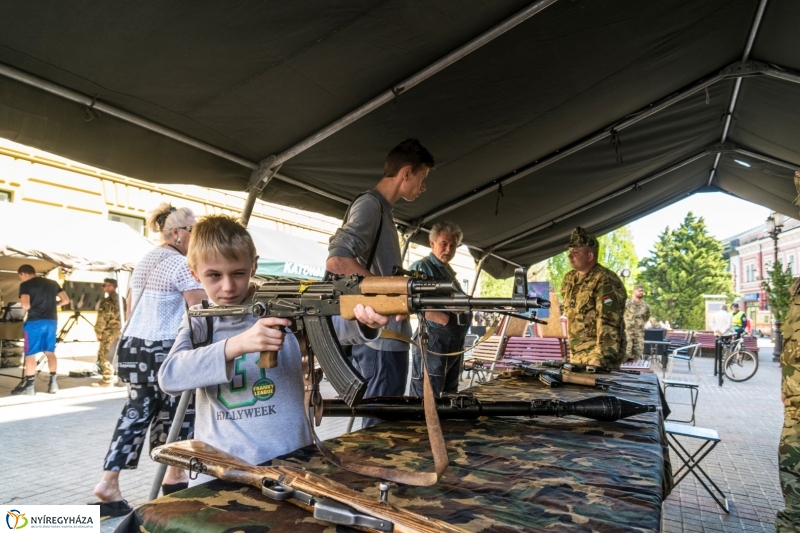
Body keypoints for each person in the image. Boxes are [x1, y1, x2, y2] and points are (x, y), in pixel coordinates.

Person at [158, 215, 389, 474]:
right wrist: (237, 345)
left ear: (253, 267)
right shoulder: (199, 320)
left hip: (292, 461)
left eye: (238, 273)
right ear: (194, 274)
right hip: (222, 468)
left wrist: (368, 320)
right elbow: (170, 377)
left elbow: (339, 326)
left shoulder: (285, 302)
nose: (228, 286)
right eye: (214, 275)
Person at [92, 203, 207, 515]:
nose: (196, 235)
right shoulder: (181, 264)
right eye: (193, 230)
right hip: (165, 347)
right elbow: (200, 311)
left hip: (133, 346)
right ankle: (174, 478)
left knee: (136, 413)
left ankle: (109, 482)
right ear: (176, 233)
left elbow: (131, 307)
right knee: (179, 414)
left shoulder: (144, 261)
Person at [326, 138, 435, 427]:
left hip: (387, 338)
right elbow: (337, 261)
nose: (423, 187)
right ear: (406, 173)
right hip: (381, 341)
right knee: (380, 428)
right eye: (422, 178)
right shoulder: (371, 205)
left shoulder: (383, 211)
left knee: (385, 423)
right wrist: (391, 291)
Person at [408, 221, 470, 397]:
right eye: (444, 243)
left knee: (448, 395)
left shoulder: (449, 273)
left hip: (452, 340)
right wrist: (447, 321)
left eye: (453, 245)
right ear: (432, 243)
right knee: (426, 396)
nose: (449, 249)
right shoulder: (422, 268)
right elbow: (417, 304)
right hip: (434, 340)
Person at [560, 227, 627, 369]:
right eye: (570, 252)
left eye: (576, 252)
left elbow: (609, 321)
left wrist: (600, 359)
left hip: (597, 358)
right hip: (577, 356)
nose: (570, 256)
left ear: (590, 256)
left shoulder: (605, 279)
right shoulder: (570, 279)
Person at [11, 264, 70, 395]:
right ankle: (53, 384)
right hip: (51, 321)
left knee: (30, 354)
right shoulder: (53, 283)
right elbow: (65, 300)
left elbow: (25, 305)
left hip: (34, 322)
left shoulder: (26, 285)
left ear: (23, 274)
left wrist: (33, 306)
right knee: (50, 352)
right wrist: (53, 305)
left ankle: (30, 387)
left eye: (20, 277)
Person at [92, 278, 125, 387]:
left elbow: (103, 318)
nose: (103, 287)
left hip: (109, 332)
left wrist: (98, 331)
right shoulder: (122, 300)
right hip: (121, 331)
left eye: (104, 285)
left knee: (105, 355)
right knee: (120, 354)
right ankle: (121, 379)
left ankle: (107, 380)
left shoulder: (107, 302)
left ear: (111, 287)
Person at [624, 284, 651, 360]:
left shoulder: (646, 306)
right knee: (626, 354)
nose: (641, 292)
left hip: (639, 334)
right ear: (634, 291)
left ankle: (636, 370)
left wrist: (640, 324)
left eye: (642, 291)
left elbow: (646, 317)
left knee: (637, 355)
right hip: (627, 333)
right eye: (639, 291)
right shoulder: (626, 304)